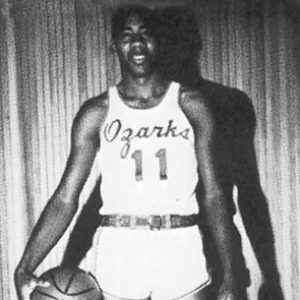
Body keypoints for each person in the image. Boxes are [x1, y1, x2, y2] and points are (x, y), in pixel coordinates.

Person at [15, 5, 240, 300]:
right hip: (120, 248)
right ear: (114, 45)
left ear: (160, 41)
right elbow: (65, 198)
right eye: (126, 34)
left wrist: (232, 274)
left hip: (180, 243)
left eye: (145, 33)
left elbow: (214, 195)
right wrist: (25, 267)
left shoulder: (191, 105)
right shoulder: (96, 112)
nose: (136, 43)